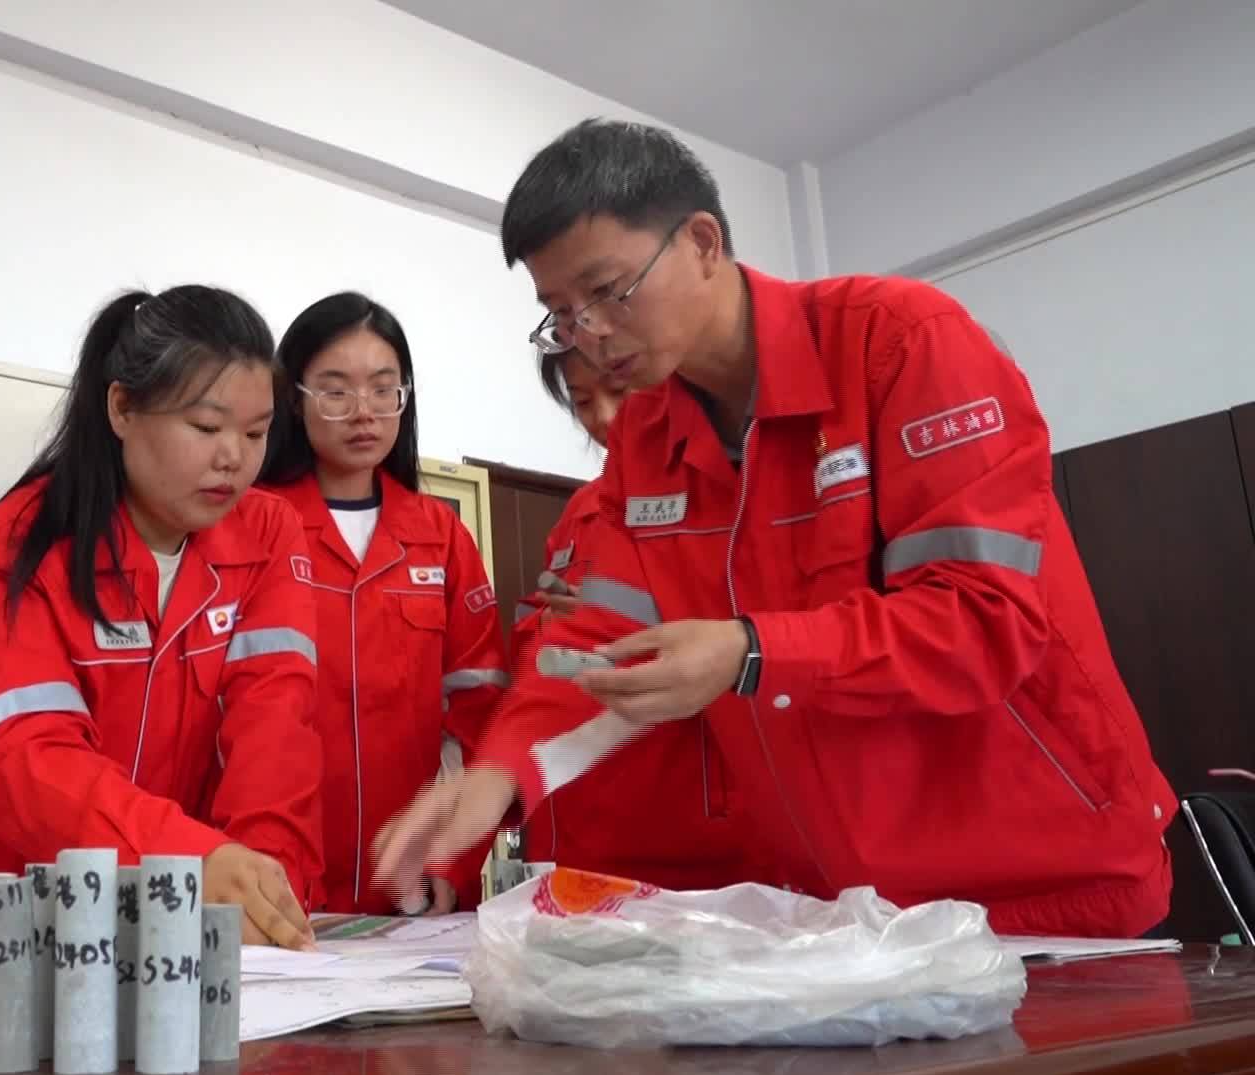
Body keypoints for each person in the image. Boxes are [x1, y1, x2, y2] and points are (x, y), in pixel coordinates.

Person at [374, 120, 1175, 937]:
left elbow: (982, 618)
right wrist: (500, 775)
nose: (590, 334)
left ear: (702, 242)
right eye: (560, 313)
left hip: (1040, 887)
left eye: (607, 291)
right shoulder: (648, 444)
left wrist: (750, 653)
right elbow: (597, 641)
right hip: (845, 914)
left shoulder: (900, 343)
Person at [0, 286, 325, 948]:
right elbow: (24, 761)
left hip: (158, 920)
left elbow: (275, 736)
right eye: (206, 428)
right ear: (122, 408)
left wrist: (260, 893)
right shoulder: (17, 544)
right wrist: (190, 862)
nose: (234, 456)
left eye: (256, 433)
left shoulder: (267, 535)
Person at [257, 292, 506, 916]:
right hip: (276, 879)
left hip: (413, 882)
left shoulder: (440, 535)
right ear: (296, 399)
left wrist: (453, 858)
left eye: (383, 389)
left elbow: (480, 717)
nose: (362, 412)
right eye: (335, 391)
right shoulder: (254, 523)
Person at [506, 349, 749, 890]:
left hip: (683, 822)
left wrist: (618, 631)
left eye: (619, 392)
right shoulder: (581, 511)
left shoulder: (724, 491)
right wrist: (556, 627)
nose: (607, 418)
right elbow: (535, 644)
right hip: (577, 818)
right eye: (585, 402)